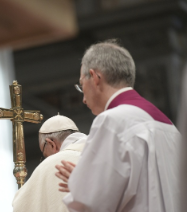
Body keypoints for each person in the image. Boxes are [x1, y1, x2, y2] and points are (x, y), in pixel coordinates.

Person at [55, 39, 181, 212]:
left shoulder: (112, 121)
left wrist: (81, 187)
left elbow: (92, 203)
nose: (83, 99)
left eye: (81, 85)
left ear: (95, 77)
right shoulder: (170, 127)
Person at [12, 115, 87, 212]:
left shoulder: (50, 165)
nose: (46, 158)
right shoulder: (105, 150)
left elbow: (20, 205)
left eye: (44, 152)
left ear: (51, 144)